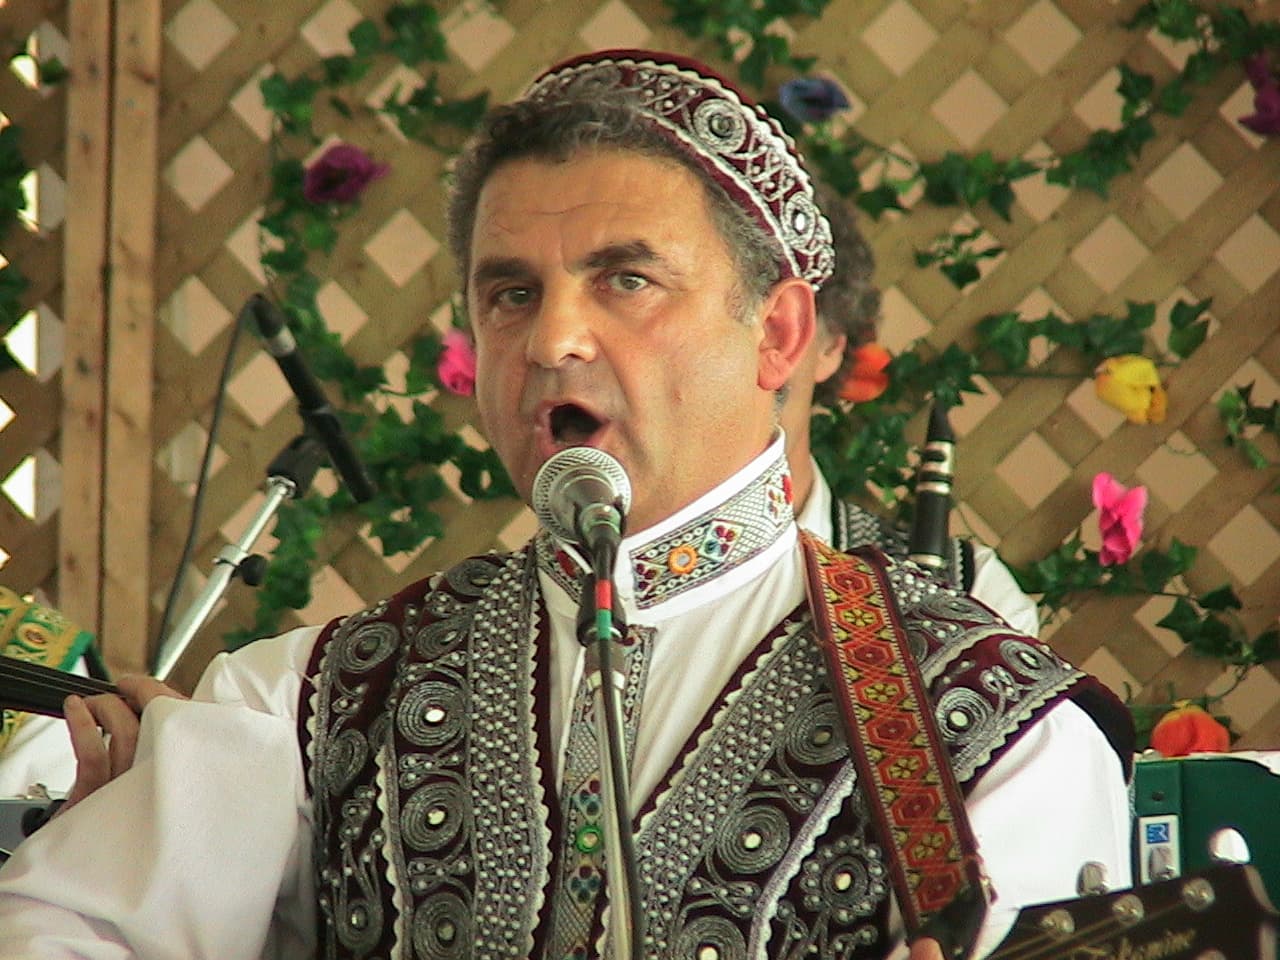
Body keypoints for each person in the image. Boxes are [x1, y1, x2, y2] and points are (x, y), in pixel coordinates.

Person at [0, 49, 1133, 959]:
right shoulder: (304, 700)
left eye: (624, 278)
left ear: (779, 335)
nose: (549, 340)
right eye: (509, 293)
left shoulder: (991, 731)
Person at [779, 187, 1041, 637]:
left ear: (832, 344)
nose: (746, 334)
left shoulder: (971, 597)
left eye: (782, 308)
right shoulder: (618, 562)